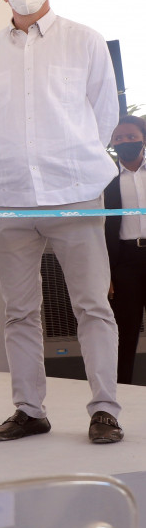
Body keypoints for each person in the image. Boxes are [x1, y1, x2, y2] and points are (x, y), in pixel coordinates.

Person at [0, 0, 122, 444]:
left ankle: (105, 410)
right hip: (9, 197)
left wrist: (71, 163)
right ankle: (29, 410)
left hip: (74, 193)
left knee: (92, 305)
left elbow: (103, 117)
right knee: (19, 311)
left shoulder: (84, 41)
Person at [104, 114, 146, 386]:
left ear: (143, 139)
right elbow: (99, 228)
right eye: (118, 138)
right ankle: (122, 391)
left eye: (131, 136)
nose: (125, 141)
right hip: (124, 262)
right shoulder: (106, 179)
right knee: (124, 332)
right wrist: (106, 272)